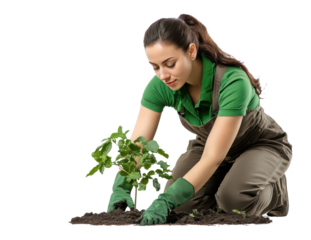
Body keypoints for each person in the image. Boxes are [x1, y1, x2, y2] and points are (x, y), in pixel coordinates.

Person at [107, 12, 293, 225]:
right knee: (182, 205)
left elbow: (213, 157)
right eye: (155, 67)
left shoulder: (232, 81)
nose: (163, 75)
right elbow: (137, 142)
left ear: (191, 51)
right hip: (209, 145)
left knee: (233, 200)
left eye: (170, 63)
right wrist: (121, 186)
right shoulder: (160, 86)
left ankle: (274, 193)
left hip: (259, 144)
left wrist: (166, 200)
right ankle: (228, 183)